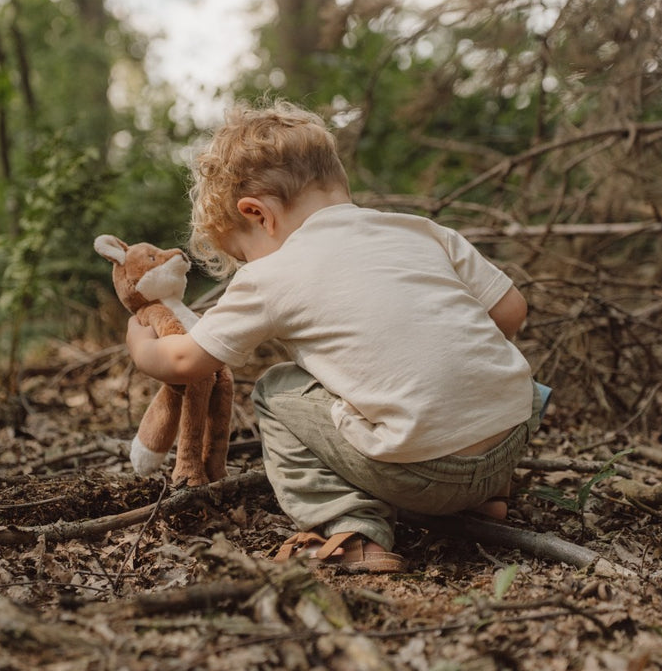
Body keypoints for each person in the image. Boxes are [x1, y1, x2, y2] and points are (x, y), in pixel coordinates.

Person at [124, 99, 549, 573]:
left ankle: (351, 529)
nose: (249, 265)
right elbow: (511, 311)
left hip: (423, 473)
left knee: (275, 389)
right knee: (501, 376)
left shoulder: (272, 274)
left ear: (258, 214)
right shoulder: (421, 230)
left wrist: (141, 343)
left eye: (244, 254)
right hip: (510, 439)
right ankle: (487, 498)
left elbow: (185, 362)